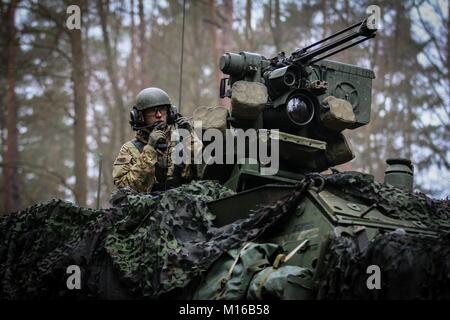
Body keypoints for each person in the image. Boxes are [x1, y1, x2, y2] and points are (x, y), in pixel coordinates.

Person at [112, 87, 200, 192]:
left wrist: (190, 137)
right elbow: (124, 187)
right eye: (152, 111)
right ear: (140, 117)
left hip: (182, 205)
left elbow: (204, 171)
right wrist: (149, 149)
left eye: (162, 110)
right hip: (147, 206)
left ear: (170, 113)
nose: (158, 115)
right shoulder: (130, 149)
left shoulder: (181, 142)